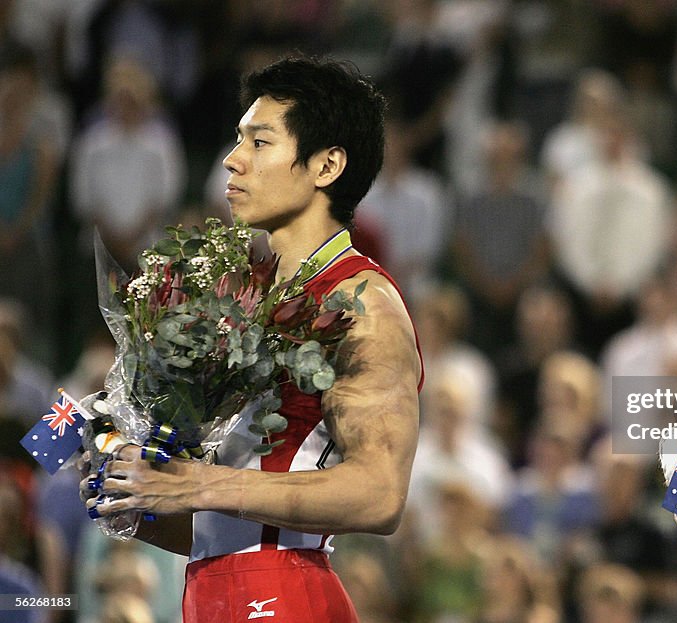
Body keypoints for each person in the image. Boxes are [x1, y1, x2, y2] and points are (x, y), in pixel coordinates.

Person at [82, 55, 423, 623]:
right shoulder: (248, 303)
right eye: (238, 140)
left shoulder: (364, 304)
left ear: (327, 165)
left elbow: (381, 493)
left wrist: (201, 484)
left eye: (259, 143)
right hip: (214, 592)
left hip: (284, 596)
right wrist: (134, 491)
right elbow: (217, 529)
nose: (231, 161)